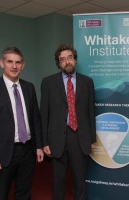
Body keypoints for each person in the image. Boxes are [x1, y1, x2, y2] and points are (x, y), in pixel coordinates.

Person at [0, 47, 44, 200]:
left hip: (28, 149)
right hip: (3, 152)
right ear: (2, 63)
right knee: (0, 193)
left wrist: (39, 146)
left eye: (18, 62)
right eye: (10, 62)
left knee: (24, 192)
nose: (14, 66)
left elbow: (35, 119)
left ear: (23, 65)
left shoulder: (29, 87)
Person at [40, 44, 96, 200]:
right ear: (59, 63)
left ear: (75, 60)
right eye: (62, 59)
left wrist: (92, 138)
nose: (67, 61)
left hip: (79, 137)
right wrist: (45, 141)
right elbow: (44, 114)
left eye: (69, 57)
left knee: (80, 181)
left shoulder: (87, 82)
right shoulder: (48, 82)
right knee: (58, 181)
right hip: (56, 138)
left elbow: (91, 112)